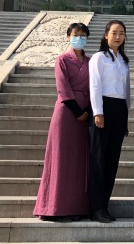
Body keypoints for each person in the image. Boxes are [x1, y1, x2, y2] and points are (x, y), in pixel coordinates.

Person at [33, 22, 92, 221]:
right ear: (68, 36)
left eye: (83, 35)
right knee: (61, 158)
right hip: (67, 112)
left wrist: (88, 110)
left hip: (85, 113)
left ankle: (76, 207)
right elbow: (62, 87)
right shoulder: (62, 60)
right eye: (76, 35)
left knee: (79, 160)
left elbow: (95, 85)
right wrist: (77, 110)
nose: (79, 38)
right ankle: (55, 208)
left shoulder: (91, 61)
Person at [88, 20, 130, 223]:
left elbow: (126, 90)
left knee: (112, 160)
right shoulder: (99, 58)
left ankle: (104, 205)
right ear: (106, 35)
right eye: (114, 33)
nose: (118, 37)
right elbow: (95, 85)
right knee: (98, 159)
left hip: (119, 109)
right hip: (103, 108)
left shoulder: (123, 59)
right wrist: (98, 112)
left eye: (121, 33)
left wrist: (126, 116)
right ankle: (96, 207)